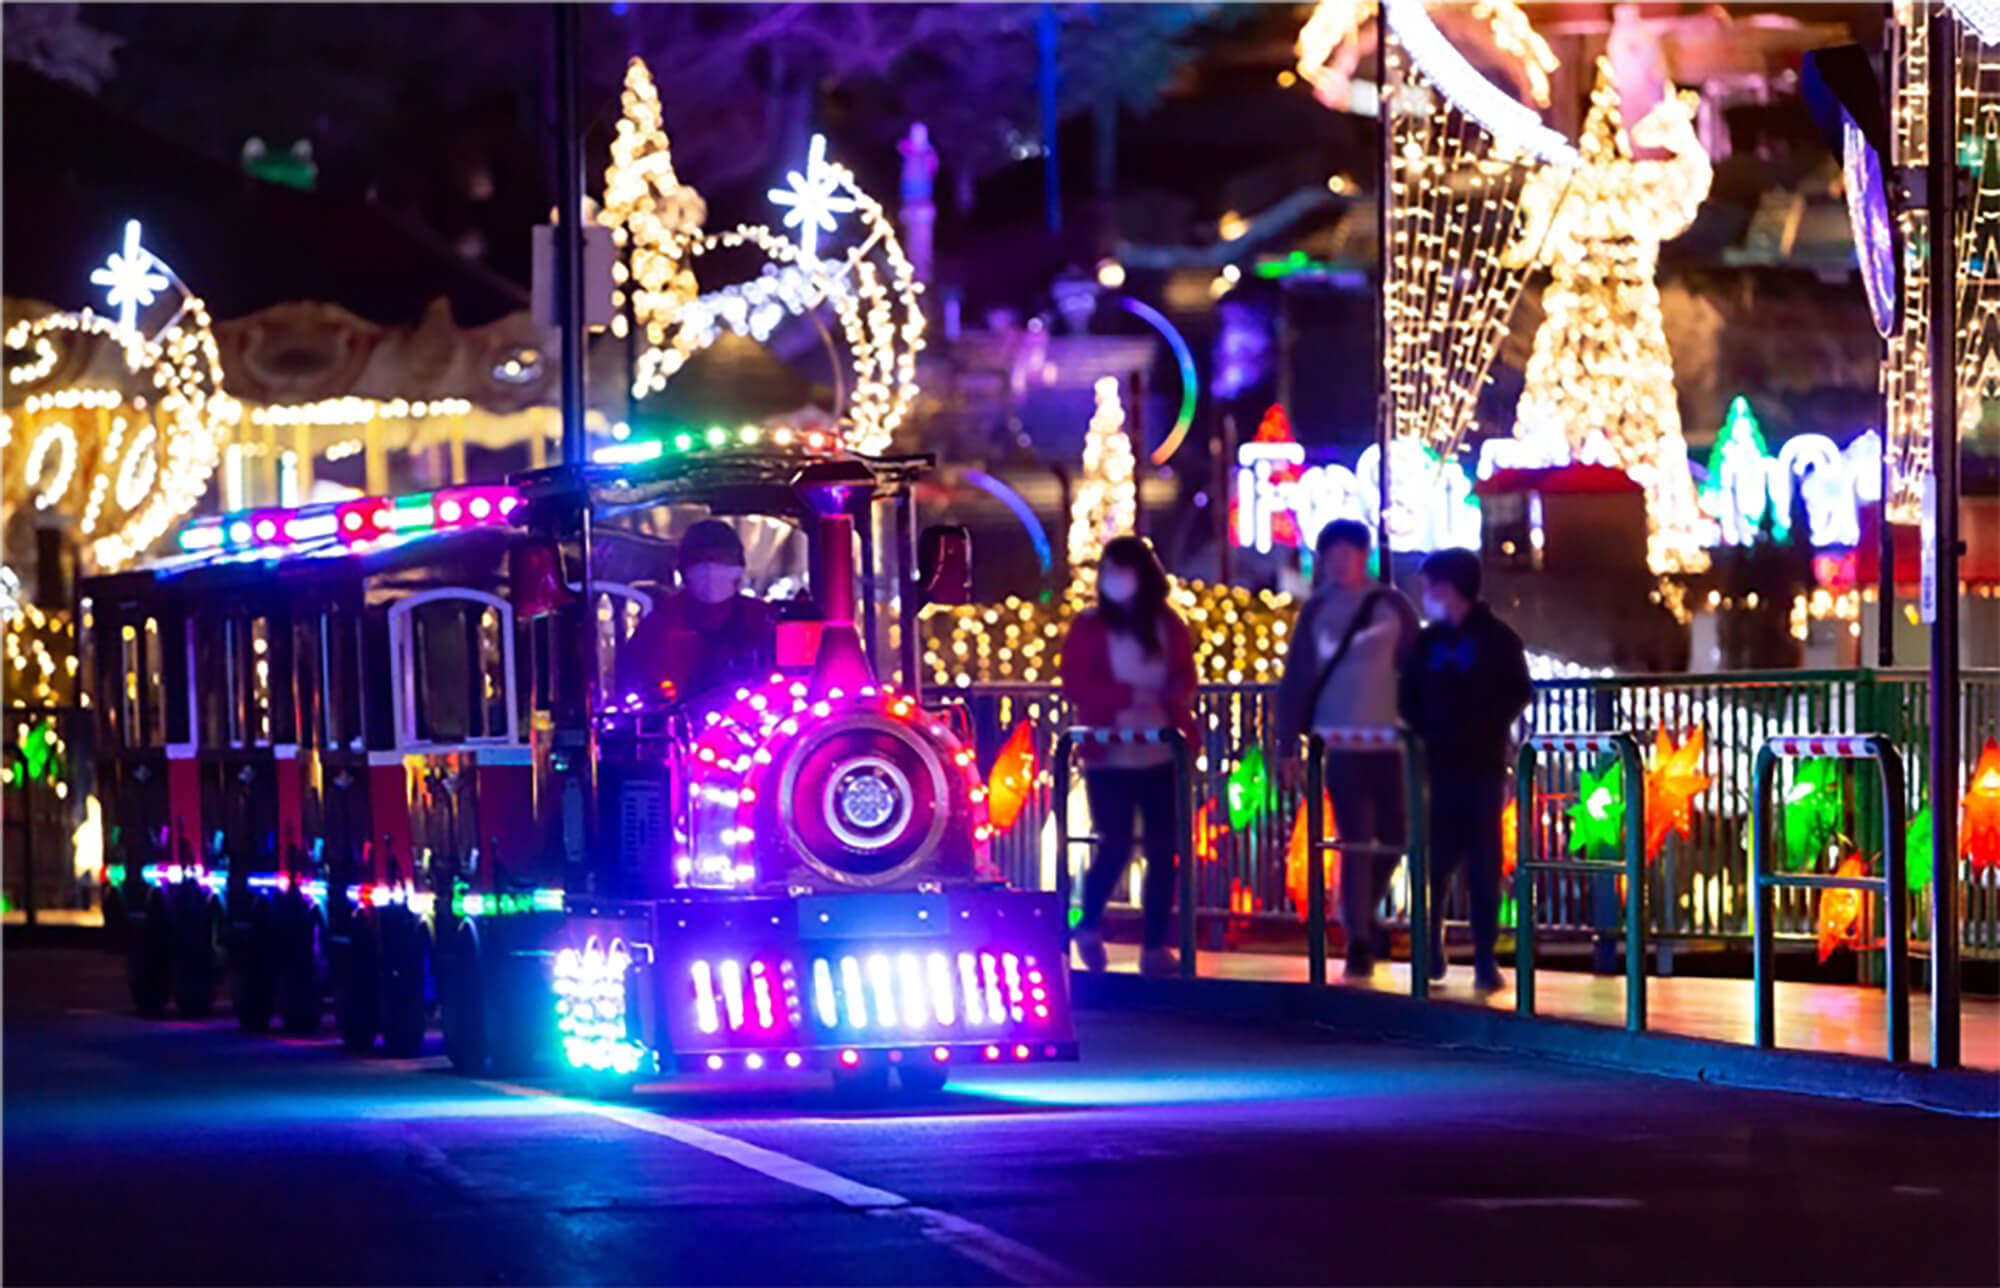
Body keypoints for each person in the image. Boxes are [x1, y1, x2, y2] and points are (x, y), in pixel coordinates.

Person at [1275, 519, 1420, 979]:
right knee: (1356, 837)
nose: (1338, 562)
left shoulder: (1392, 606)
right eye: (1330, 554)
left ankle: (1364, 912)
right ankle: (1357, 934)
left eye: (1346, 553)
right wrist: (1287, 743)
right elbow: (1298, 676)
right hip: (1338, 739)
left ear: (1363, 555)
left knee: (1397, 834)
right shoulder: (1316, 610)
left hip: (1390, 739)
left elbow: (1416, 669)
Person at [1059, 536, 1198, 977]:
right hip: (1108, 751)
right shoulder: (1089, 626)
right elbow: (1078, 683)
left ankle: (1155, 944)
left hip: (1160, 749)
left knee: (1163, 849)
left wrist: (1171, 701)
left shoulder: (1167, 624)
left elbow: (1184, 676)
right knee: (1113, 844)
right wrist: (1130, 696)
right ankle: (1088, 925)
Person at [1399, 547, 1533, 993]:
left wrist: (1480, 724)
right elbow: (1408, 693)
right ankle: (1432, 948)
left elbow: (1517, 691)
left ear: (1448, 587)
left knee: (1482, 866)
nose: (1426, 594)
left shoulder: (1495, 639)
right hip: (1438, 767)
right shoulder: (1429, 641)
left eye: (1431, 584)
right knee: (1434, 864)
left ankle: (1482, 956)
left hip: (1480, 766)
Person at [613, 519, 776, 707]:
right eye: (698, 561)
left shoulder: (763, 619)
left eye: (718, 560)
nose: (709, 569)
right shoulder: (661, 622)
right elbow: (633, 681)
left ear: (738, 569)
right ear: (683, 570)